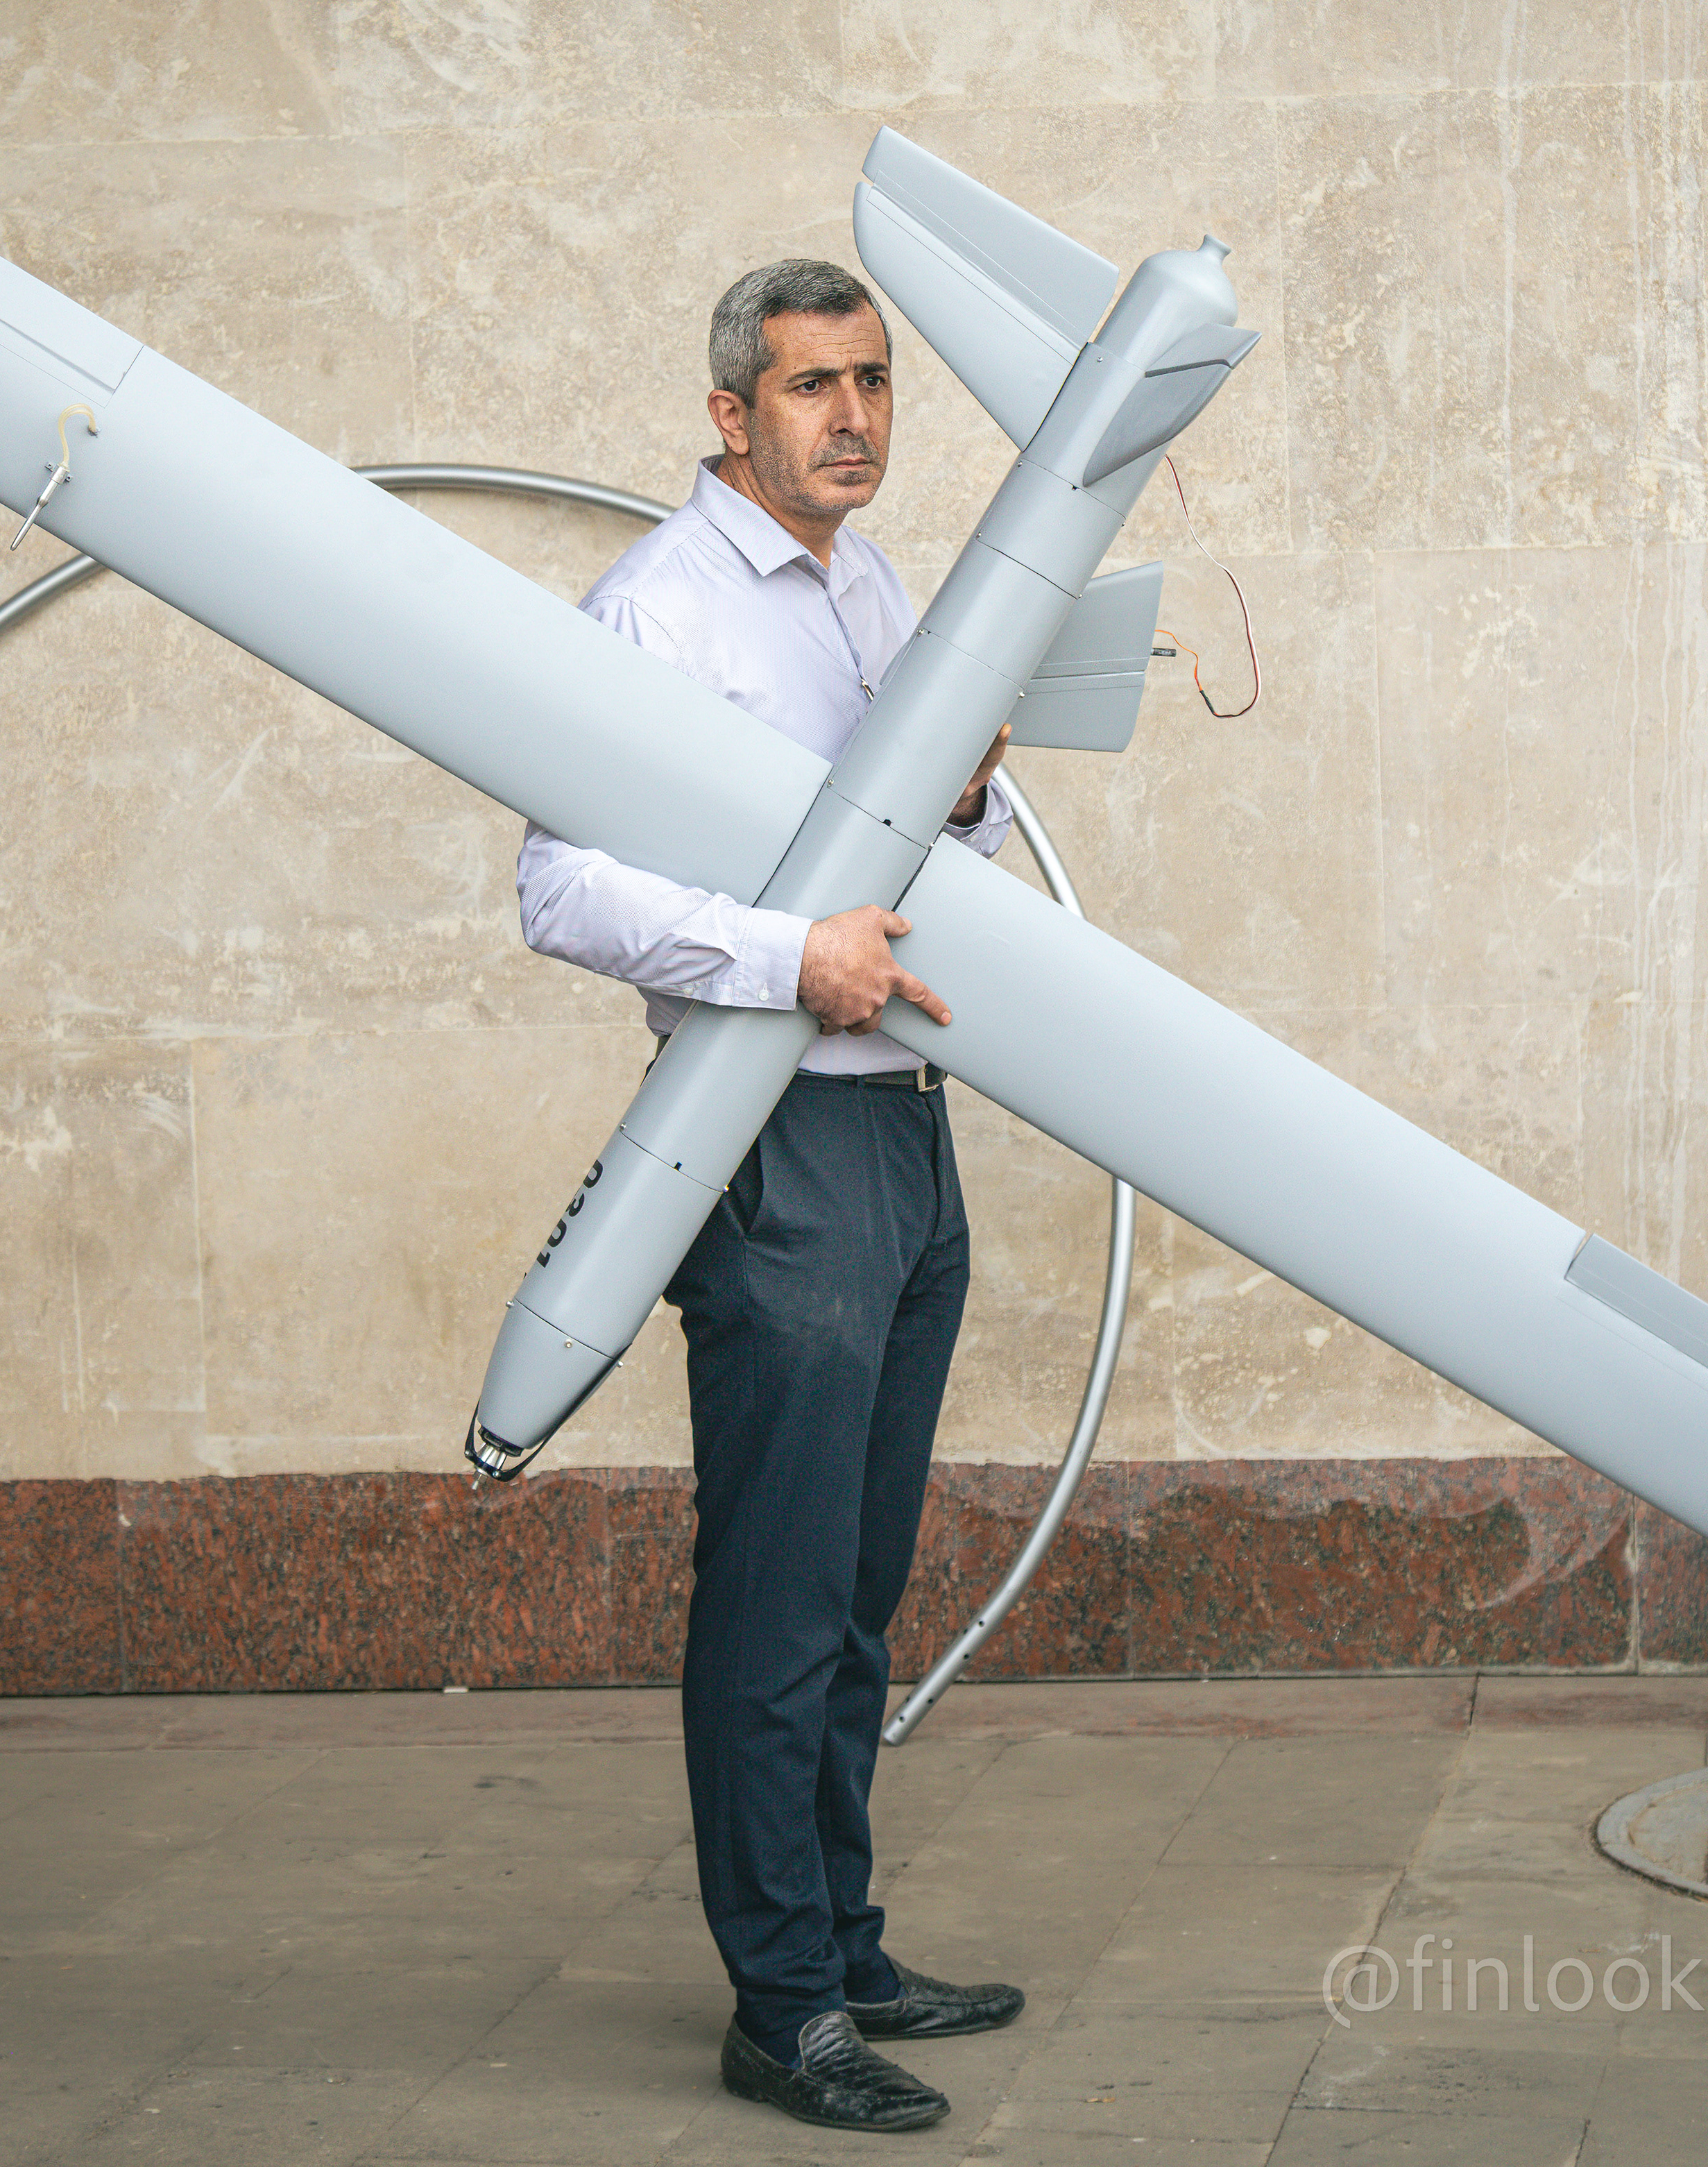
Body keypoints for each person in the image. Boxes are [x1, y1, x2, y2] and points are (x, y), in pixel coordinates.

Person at [516, 259, 1026, 2133]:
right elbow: (558, 885)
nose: (855, 417)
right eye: (813, 386)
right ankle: (782, 2003)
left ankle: (848, 1939)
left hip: (903, 1127)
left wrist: (962, 799)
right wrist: (776, 960)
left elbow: (881, 849)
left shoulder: (871, 583)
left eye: (874, 381)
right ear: (731, 413)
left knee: (863, 1578)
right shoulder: (655, 607)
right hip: (770, 1144)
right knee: (780, 1589)